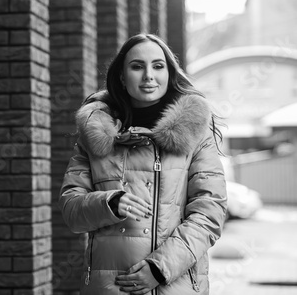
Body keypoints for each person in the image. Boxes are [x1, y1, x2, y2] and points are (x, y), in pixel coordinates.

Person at [59, 33, 227, 295]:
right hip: (110, 288)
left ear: (169, 74)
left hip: (176, 285)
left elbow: (209, 213)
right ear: (123, 77)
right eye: (137, 66)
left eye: (158, 66)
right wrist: (109, 203)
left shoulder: (195, 133)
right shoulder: (96, 133)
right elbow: (71, 210)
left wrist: (159, 269)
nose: (149, 75)